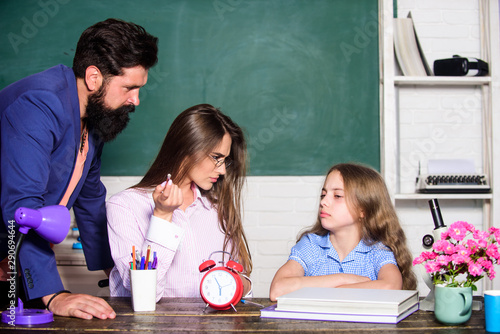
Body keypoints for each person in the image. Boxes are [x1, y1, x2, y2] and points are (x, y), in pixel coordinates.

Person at [0, 19, 158, 319]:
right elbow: (21, 207)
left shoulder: (94, 117)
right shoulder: (38, 105)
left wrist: (119, 275)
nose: (135, 100)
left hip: (18, 260)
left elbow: (90, 200)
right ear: (94, 77)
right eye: (129, 87)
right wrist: (54, 295)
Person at [107, 104, 253, 300]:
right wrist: (162, 216)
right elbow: (144, 295)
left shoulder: (218, 209)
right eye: (217, 158)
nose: (222, 171)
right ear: (189, 147)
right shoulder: (124, 206)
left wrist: (239, 284)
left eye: (225, 160)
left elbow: (241, 279)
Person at [269, 163, 417, 301]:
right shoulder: (311, 245)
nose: (323, 202)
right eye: (323, 195)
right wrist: (343, 278)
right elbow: (278, 290)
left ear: (363, 209)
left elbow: (390, 287)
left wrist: (322, 289)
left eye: (337, 196)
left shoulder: (377, 250)